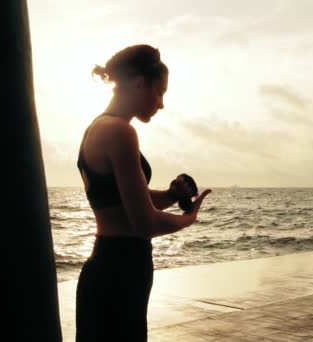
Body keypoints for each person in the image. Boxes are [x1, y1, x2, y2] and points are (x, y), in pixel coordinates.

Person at [75, 44, 212, 342]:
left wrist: (172, 195)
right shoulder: (120, 132)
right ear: (139, 83)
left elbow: (124, 197)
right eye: (159, 92)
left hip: (109, 267)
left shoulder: (99, 127)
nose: (161, 103)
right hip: (120, 272)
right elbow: (144, 223)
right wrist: (189, 218)